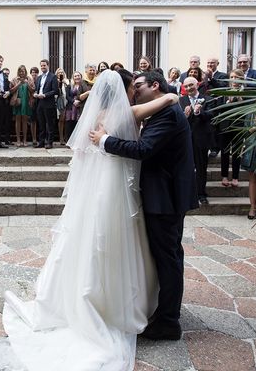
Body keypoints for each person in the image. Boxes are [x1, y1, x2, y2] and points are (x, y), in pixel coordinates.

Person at [0, 70, 183, 370]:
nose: (134, 92)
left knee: (93, 239)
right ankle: (118, 302)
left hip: (100, 189)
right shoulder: (125, 113)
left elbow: (84, 151)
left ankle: (89, 296)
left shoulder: (99, 116)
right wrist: (170, 96)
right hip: (115, 189)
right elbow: (137, 119)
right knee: (116, 241)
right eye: (132, 87)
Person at [90, 70, 198, 342]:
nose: (134, 91)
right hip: (161, 196)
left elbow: (143, 150)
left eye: (138, 86)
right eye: (132, 86)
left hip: (166, 199)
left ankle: (168, 321)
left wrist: (104, 141)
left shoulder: (169, 114)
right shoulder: (161, 109)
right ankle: (166, 310)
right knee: (168, 256)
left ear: (155, 85)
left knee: (169, 258)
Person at [179, 77, 216, 205]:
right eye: (186, 86)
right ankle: (186, 192)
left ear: (197, 85)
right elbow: (177, 120)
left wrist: (199, 112)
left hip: (201, 139)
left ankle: (201, 194)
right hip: (185, 139)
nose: (189, 88)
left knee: (201, 167)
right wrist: (185, 115)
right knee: (185, 167)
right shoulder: (181, 100)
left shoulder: (208, 99)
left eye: (191, 85)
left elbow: (211, 116)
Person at [219, 69, 244, 188]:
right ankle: (224, 176)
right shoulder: (224, 92)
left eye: (237, 77)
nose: (234, 80)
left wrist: (240, 99)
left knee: (237, 153)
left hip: (239, 127)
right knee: (224, 152)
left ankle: (235, 177)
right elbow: (219, 109)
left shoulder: (245, 93)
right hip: (225, 127)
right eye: (232, 77)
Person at [33, 59, 58, 149]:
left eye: (44, 65)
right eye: (42, 66)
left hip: (48, 102)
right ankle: (41, 142)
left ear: (48, 66)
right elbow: (37, 88)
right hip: (39, 103)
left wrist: (45, 95)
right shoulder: (39, 77)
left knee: (49, 124)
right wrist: (35, 93)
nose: (43, 67)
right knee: (41, 123)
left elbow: (55, 91)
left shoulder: (53, 77)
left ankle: (49, 142)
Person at [10, 65, 34, 147]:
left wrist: (27, 84)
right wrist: (18, 84)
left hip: (26, 102)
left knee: (25, 120)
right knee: (17, 120)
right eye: (20, 71)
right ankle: (18, 140)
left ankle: (25, 140)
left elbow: (33, 90)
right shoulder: (14, 79)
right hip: (18, 101)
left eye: (23, 71)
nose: (21, 72)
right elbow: (11, 91)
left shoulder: (29, 79)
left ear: (25, 71)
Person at [64, 71, 88, 142]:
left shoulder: (84, 85)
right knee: (69, 124)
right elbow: (67, 96)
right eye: (75, 76)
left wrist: (79, 102)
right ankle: (68, 141)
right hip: (70, 107)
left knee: (77, 124)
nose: (77, 77)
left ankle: (76, 141)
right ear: (73, 78)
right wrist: (73, 101)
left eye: (78, 76)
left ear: (81, 77)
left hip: (80, 107)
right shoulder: (69, 86)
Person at [55, 68, 68, 145]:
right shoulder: (55, 81)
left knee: (67, 121)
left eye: (62, 72)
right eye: (59, 73)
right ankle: (61, 138)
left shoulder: (67, 81)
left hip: (67, 102)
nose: (60, 74)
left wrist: (65, 82)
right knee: (61, 120)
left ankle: (66, 137)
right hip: (59, 103)